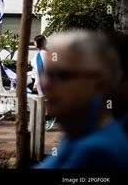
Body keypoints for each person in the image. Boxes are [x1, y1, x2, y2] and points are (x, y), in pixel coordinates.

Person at [37, 31, 128, 169]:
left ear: (99, 83)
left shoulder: (96, 153)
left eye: (62, 75)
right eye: (47, 74)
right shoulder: (77, 132)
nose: (46, 84)